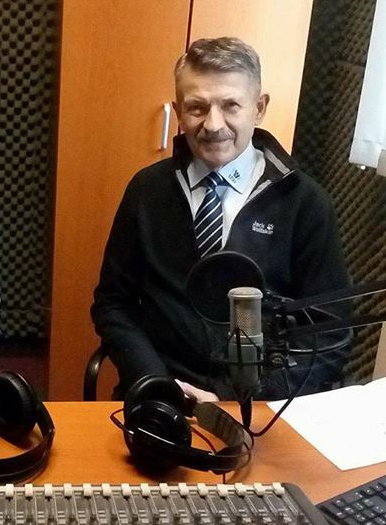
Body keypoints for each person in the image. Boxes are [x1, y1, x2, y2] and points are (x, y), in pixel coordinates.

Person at [91, 37, 350, 402]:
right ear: (178, 111)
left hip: (259, 405)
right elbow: (113, 303)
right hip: (161, 395)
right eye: (197, 108)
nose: (213, 125)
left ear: (258, 108)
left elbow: (329, 332)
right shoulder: (147, 190)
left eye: (230, 106)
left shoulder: (304, 203)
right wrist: (155, 380)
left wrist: (242, 398)